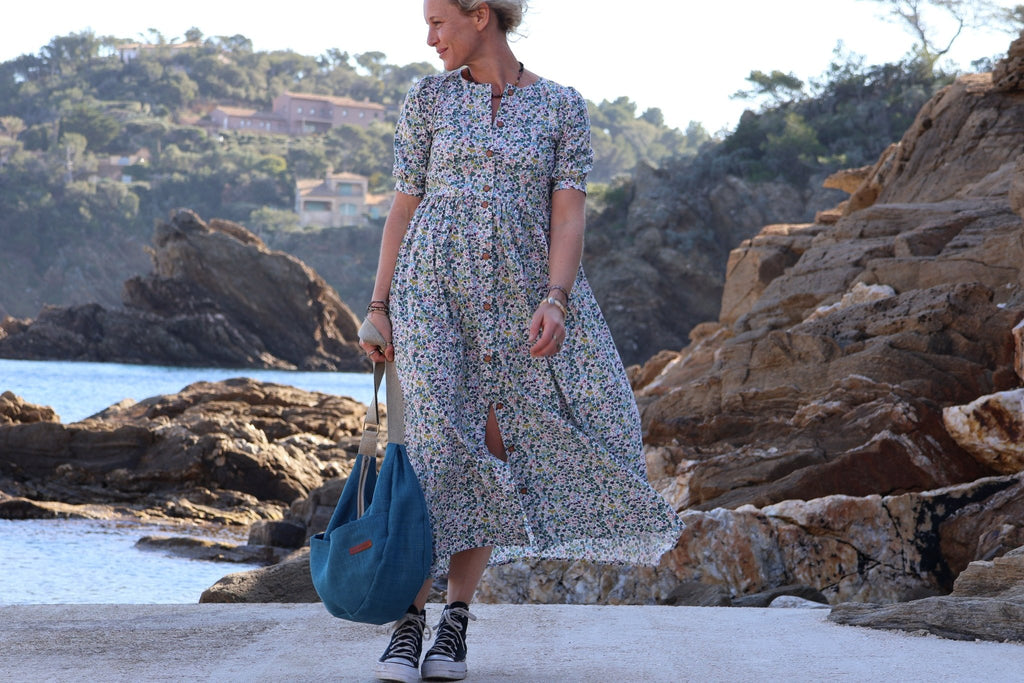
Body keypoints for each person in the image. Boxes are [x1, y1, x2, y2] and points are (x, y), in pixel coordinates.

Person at [359, 1, 684, 680]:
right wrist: (378, 306)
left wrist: (556, 298)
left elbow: (568, 217)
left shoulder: (562, 106)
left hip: (520, 302)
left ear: (480, 14)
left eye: (439, 22)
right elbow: (404, 204)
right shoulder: (427, 99)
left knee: (488, 454)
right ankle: (408, 624)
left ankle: (454, 622)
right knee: (432, 453)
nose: (429, 37)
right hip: (431, 294)